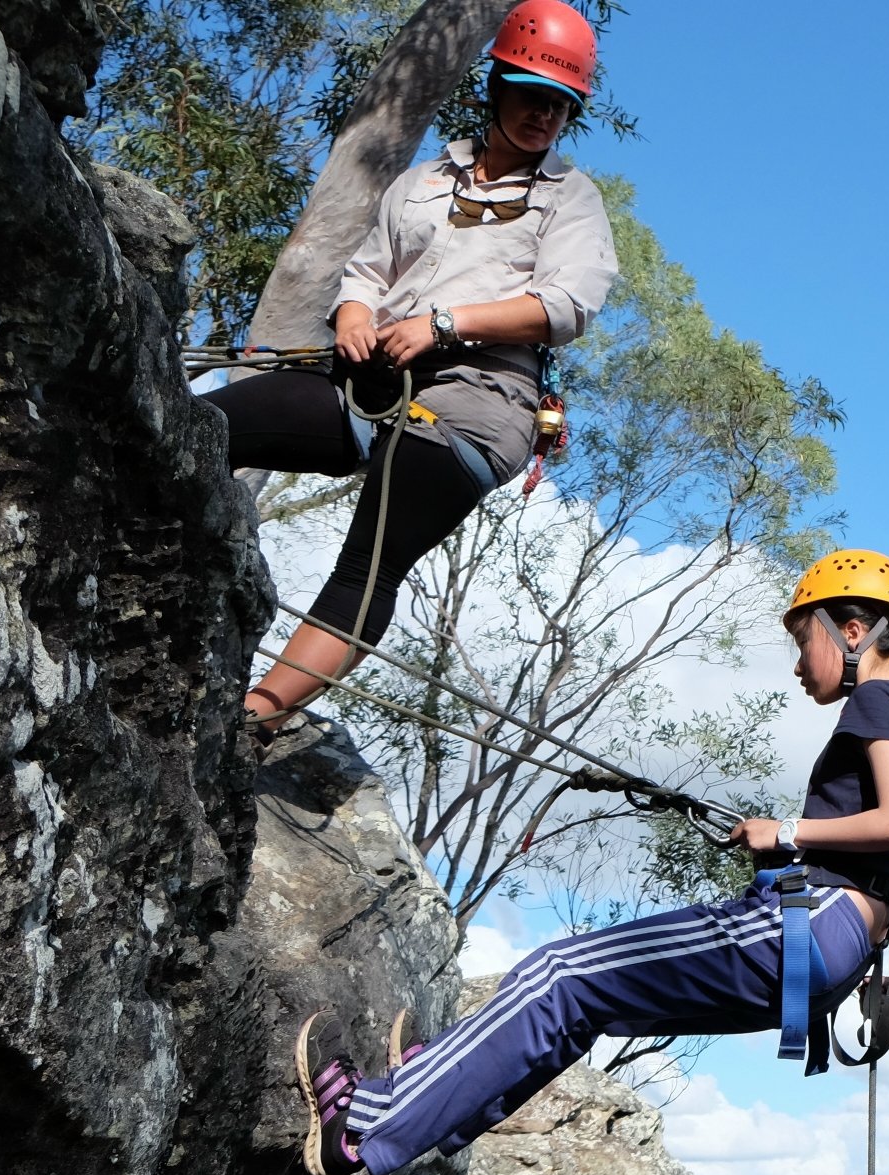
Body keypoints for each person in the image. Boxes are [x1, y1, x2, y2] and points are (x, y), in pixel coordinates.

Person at [294, 549, 889, 1175]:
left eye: (806, 643)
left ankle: (363, 1121)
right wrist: (866, 956)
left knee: (559, 974)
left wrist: (788, 831)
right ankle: (426, 1097)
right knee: (586, 1004)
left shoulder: (877, 699)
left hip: (806, 925)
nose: (800, 666)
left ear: (853, 631)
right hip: (835, 952)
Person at [215, 0, 619, 736]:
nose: (544, 116)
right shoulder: (424, 182)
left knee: (371, 558)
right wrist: (355, 317)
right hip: (368, 378)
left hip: (479, 399)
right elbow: (367, 272)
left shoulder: (572, 201)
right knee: (209, 424)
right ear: (496, 88)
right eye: (532, 96)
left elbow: (566, 304)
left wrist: (442, 324)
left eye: (560, 105)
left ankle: (253, 720)